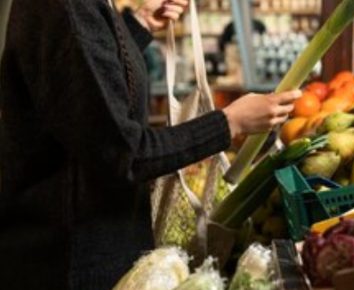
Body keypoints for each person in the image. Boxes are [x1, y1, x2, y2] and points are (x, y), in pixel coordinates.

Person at [0, 0, 300, 289]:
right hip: (72, 262)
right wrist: (230, 122)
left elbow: (88, 85)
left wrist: (137, 26)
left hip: (87, 247)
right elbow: (126, 154)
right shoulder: (66, 9)